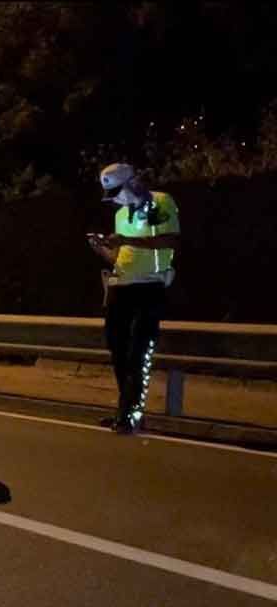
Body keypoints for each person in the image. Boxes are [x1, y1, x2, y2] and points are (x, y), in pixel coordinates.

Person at [87, 163, 181, 434]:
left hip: (149, 286)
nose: (116, 199)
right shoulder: (120, 215)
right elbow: (121, 256)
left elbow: (171, 240)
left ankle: (131, 413)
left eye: (117, 191)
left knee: (139, 350)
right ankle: (126, 409)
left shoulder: (161, 202)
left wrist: (127, 240)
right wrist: (104, 249)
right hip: (121, 285)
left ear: (133, 182)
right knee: (118, 349)